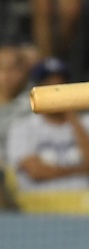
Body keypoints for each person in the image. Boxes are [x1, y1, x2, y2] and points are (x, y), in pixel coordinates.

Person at [6, 57, 89, 193]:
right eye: (49, 86)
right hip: (37, 208)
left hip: (87, 207)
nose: (56, 93)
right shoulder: (22, 127)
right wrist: (82, 169)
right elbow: (36, 171)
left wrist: (72, 117)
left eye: (61, 86)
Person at [0, 45, 31, 209]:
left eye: (13, 69)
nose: (7, 76)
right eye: (2, 69)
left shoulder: (33, 104)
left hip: (23, 178)